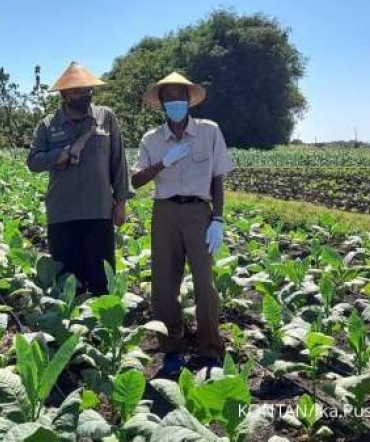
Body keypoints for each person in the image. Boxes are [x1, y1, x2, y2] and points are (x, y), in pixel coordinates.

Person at [130, 72, 234, 376]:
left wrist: (218, 217)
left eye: (180, 96)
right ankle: (172, 349)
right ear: (161, 103)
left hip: (199, 213)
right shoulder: (151, 139)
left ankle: (209, 350)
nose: (175, 102)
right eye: (169, 97)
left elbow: (218, 177)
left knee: (205, 284)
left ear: (188, 100)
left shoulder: (209, 132)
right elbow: (136, 180)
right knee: (163, 286)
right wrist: (164, 162)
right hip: (165, 213)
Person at [26, 61, 130, 296]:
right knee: (67, 282)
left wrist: (121, 202)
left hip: (99, 211)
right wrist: (58, 156)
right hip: (62, 213)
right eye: (76, 91)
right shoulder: (48, 125)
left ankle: (99, 329)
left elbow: (118, 162)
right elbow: (33, 161)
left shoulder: (106, 118)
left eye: (86, 90)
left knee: (101, 280)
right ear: (64, 95)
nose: (83, 95)